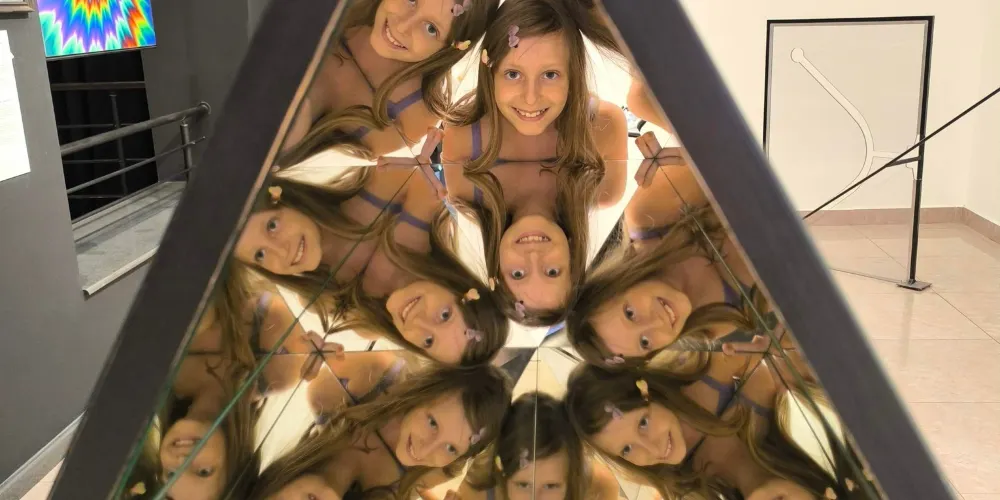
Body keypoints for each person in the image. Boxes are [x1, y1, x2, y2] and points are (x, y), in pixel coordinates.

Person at [440, 0, 628, 326]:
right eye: (513, 74)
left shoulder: (465, 189)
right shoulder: (604, 189)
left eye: (550, 74)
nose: (531, 98)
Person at [233, 166, 508, 365]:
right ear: (458, 286)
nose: (418, 323)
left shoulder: (360, 317)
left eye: (427, 341)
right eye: (444, 315)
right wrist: (400, 244)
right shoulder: (423, 215)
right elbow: (412, 177)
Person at [564, 364, 866, 500]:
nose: (651, 448)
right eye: (627, 450)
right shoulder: (682, 485)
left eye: (643, 423)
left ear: (648, 391)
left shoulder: (749, 392)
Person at [278, 0, 501, 166]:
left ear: (448, 49)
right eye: (411, 0)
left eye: (431, 28)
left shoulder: (412, 112)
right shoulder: (346, 8)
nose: (403, 26)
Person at [249, 364, 513, 500]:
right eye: (432, 423)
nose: (425, 449)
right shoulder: (370, 383)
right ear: (421, 395)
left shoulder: (437, 470)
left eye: (452, 448)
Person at [439, 391, 619, 500]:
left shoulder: (598, 487)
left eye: (551, 486)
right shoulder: (479, 490)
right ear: (502, 471)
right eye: (523, 485)